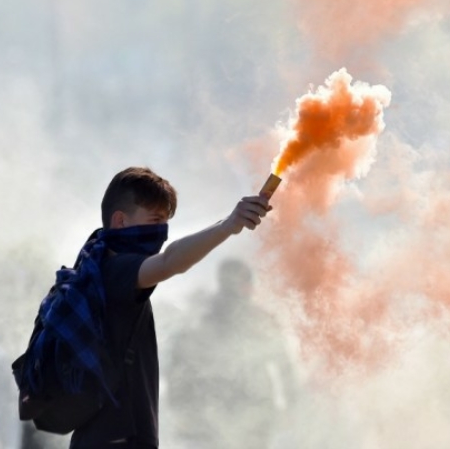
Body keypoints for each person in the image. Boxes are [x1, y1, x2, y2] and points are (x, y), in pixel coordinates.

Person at [66, 166, 272, 449]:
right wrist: (229, 225)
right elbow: (169, 261)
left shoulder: (96, 270)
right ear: (120, 221)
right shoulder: (114, 271)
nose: (160, 231)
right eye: (155, 219)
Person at [165, 258, 296, 449]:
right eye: (246, 282)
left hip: (239, 415)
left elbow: (284, 366)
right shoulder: (208, 321)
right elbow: (180, 366)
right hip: (228, 415)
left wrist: (179, 407)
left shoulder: (202, 319)